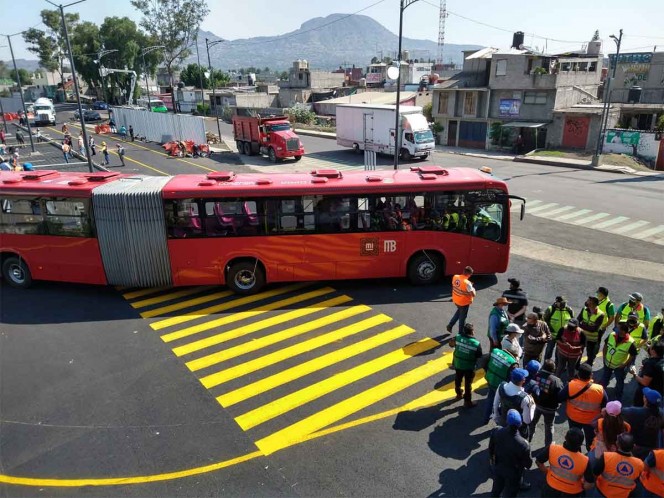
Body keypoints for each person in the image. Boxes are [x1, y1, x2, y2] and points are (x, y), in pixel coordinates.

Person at [559, 363, 608, 451]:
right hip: (591, 421)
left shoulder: (571, 385)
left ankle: (576, 454)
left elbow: (560, 397)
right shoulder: (599, 390)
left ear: (578, 374)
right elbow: (605, 406)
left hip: (573, 417)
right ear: (591, 375)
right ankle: (590, 456)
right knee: (591, 440)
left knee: (574, 439)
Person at [536, 427, 593, 497]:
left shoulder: (553, 448)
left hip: (550, 488)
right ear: (581, 444)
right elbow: (589, 484)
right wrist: (582, 486)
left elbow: (539, 461)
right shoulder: (585, 460)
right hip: (572, 493)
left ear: (565, 437)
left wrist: (547, 472)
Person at [488, 409, 532, 498]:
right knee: (510, 494)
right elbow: (528, 464)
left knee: (496, 489)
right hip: (513, 473)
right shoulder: (523, 444)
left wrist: (492, 460)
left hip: (498, 467)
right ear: (519, 424)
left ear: (507, 421)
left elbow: (491, 448)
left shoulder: (497, 431)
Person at [592, 433, 643, 498]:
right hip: (623, 495)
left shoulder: (606, 456)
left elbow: (595, 473)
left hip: (602, 492)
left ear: (617, 444)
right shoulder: (639, 464)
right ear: (634, 446)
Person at [529, 359, 564, 448]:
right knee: (549, 426)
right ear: (553, 369)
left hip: (536, 404)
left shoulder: (536, 375)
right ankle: (548, 446)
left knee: (532, 422)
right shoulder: (557, 381)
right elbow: (561, 396)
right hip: (550, 409)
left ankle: (529, 437)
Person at [621, 388, 664, 460]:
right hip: (654, 449)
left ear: (645, 400)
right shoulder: (662, 414)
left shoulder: (633, 412)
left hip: (635, 448)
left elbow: (618, 410)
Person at [492, 368, 535, 438]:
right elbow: (527, 420)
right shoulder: (526, 398)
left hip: (503, 421)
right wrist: (533, 406)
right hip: (518, 429)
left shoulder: (501, 386)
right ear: (523, 381)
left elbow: (495, 404)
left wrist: (497, 418)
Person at [600, 322, 638, 402]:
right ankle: (600, 394)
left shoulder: (630, 342)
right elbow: (606, 346)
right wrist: (604, 357)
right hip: (607, 363)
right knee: (605, 378)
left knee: (619, 382)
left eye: (618, 328)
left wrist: (624, 364)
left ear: (623, 331)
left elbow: (633, 355)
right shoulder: (611, 335)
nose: (615, 329)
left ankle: (618, 397)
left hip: (619, 367)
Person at [450, 322, 483, 408]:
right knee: (468, 384)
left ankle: (458, 394)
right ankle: (467, 402)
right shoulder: (476, 343)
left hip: (458, 364)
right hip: (469, 367)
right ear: (472, 332)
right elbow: (479, 355)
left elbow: (451, 344)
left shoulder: (458, 337)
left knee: (458, 379)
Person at [484, 344, 519, 424]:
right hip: (500, 385)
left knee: (490, 398)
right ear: (514, 354)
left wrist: (488, 371)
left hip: (490, 378)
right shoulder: (512, 362)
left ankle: (486, 418)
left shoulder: (495, 351)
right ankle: (498, 421)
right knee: (500, 404)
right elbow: (512, 378)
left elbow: (484, 362)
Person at [631, 340, 664, 406]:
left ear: (653, 351)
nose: (649, 348)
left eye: (651, 347)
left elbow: (645, 382)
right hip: (659, 391)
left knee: (640, 408)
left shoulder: (650, 364)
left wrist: (634, 374)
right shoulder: (662, 361)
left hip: (648, 393)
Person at [447, 266, 476, 335]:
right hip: (463, 302)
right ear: (469, 274)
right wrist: (473, 288)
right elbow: (473, 294)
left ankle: (450, 325)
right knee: (462, 319)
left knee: (458, 313)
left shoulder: (455, 277)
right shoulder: (467, 283)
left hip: (456, 300)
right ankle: (460, 333)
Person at [544, 296, 575, 361]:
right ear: (556, 302)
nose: (564, 304)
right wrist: (549, 331)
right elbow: (545, 321)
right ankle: (546, 364)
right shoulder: (550, 309)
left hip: (563, 336)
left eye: (564, 302)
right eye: (561, 303)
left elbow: (572, 321)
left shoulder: (569, 310)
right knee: (549, 350)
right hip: (552, 335)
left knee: (559, 352)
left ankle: (556, 365)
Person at [578, 296, 606, 366]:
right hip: (582, 336)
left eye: (588, 301)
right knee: (578, 353)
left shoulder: (601, 314)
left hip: (592, 339)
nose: (587, 302)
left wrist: (582, 325)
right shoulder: (584, 309)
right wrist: (586, 326)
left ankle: (588, 368)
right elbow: (578, 320)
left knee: (590, 355)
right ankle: (577, 366)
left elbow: (594, 329)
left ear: (593, 304)